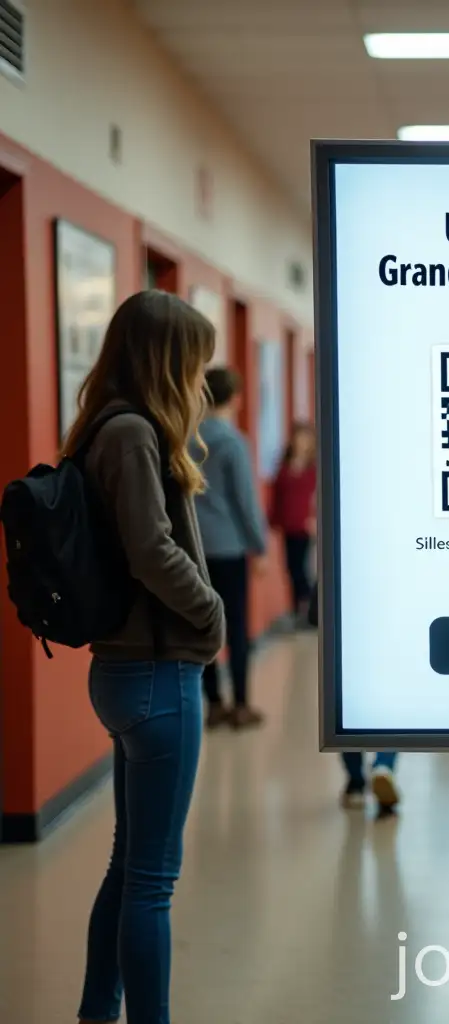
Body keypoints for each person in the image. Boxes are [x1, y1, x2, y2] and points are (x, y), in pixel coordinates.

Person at [70, 289, 224, 1024]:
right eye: (196, 365)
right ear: (168, 360)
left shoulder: (113, 425)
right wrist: (211, 608)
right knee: (153, 880)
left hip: (129, 672)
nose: (201, 381)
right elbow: (151, 550)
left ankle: (99, 1011)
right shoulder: (133, 433)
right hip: (157, 674)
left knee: (130, 866)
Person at [192, 367, 268, 729]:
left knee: (203, 627)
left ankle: (214, 704)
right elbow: (244, 501)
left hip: (192, 549)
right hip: (228, 549)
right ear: (235, 398)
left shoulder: (186, 438)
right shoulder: (232, 441)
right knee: (236, 627)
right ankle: (241, 704)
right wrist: (260, 547)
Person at [307, 583, 401, 813]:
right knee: (387, 705)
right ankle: (383, 765)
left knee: (346, 709)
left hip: (344, 632)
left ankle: (356, 782)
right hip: (384, 633)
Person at [270, 422, 317, 623]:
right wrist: (273, 520)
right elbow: (277, 496)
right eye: (298, 437)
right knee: (291, 568)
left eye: (305, 438)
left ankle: (308, 612)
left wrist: (316, 520)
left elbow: (319, 497)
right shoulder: (284, 466)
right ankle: (298, 610)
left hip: (307, 528)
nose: (301, 442)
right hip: (288, 527)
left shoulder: (314, 468)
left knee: (304, 570)